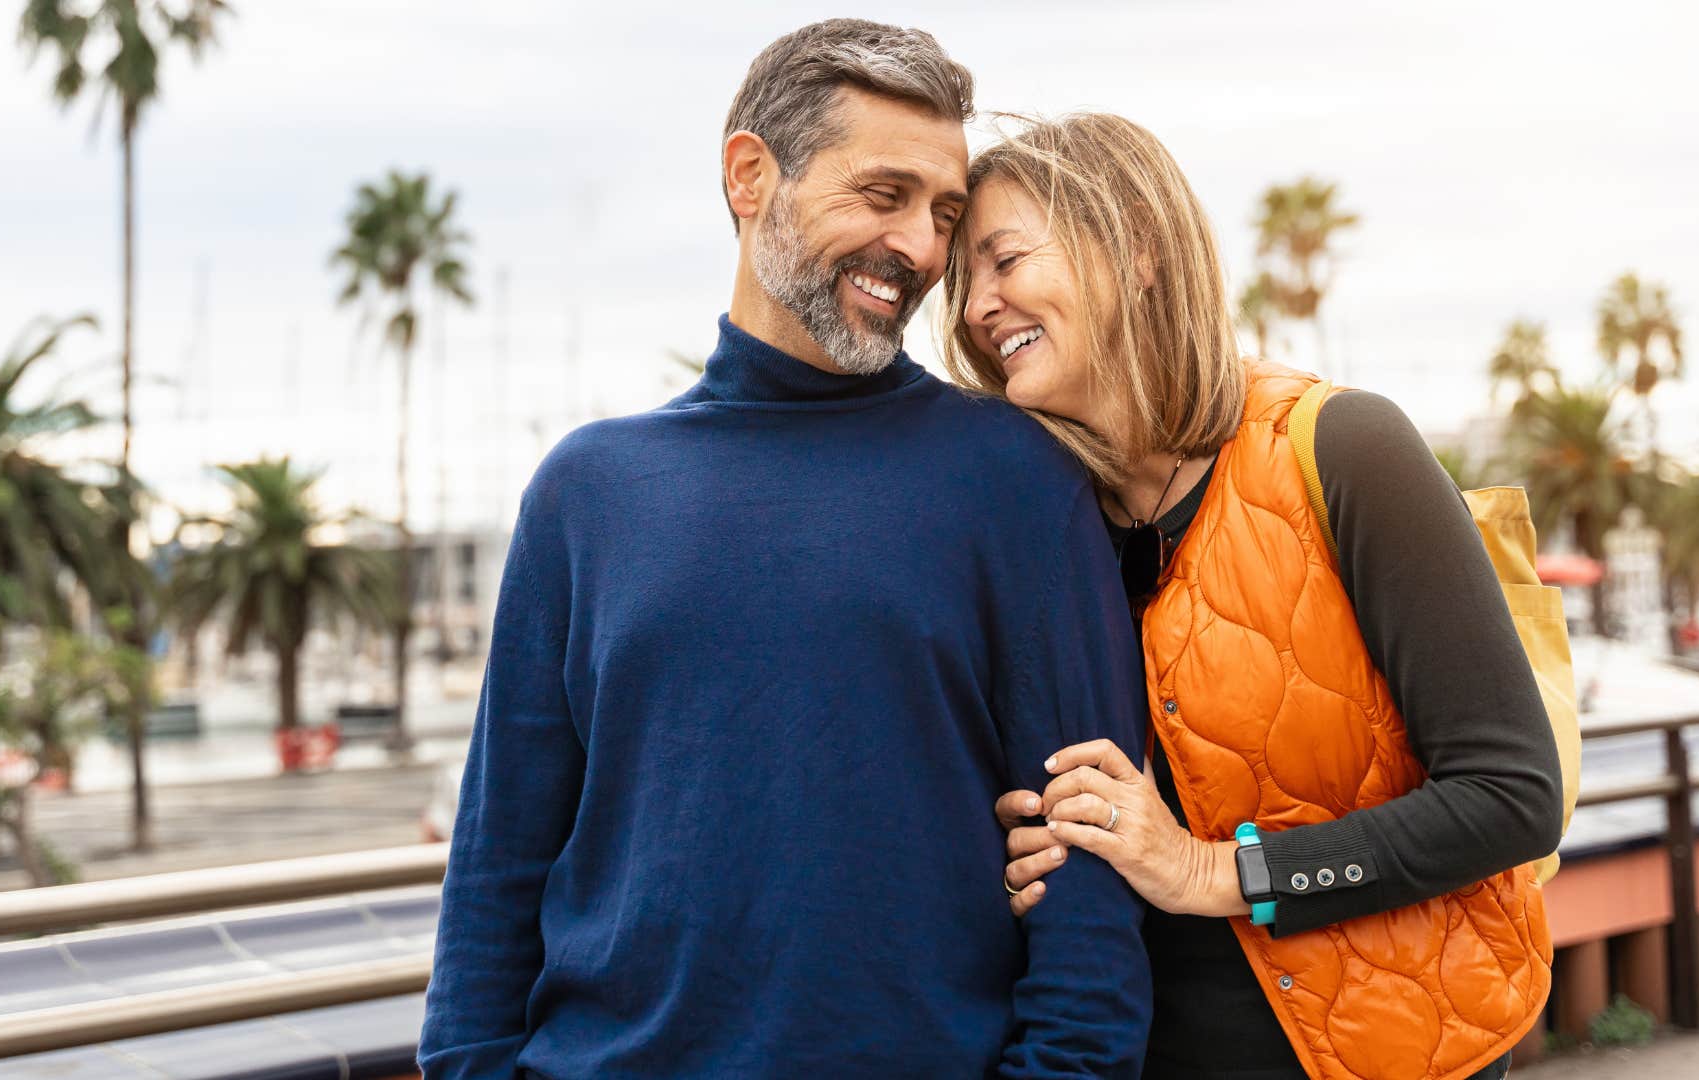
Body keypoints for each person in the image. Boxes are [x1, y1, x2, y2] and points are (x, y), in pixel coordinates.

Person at [419, 23, 1152, 1079]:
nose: (919, 248)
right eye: (883, 194)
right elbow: (496, 871)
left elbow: (1088, 884)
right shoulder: (587, 493)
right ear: (751, 175)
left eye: (944, 213)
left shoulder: (1016, 479)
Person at [946, 113, 1562, 1080]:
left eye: (1004, 259)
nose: (978, 305)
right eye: (964, 279)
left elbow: (1513, 798)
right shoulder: (1038, 525)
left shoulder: (1344, 448)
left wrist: (1211, 871)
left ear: (1137, 249)